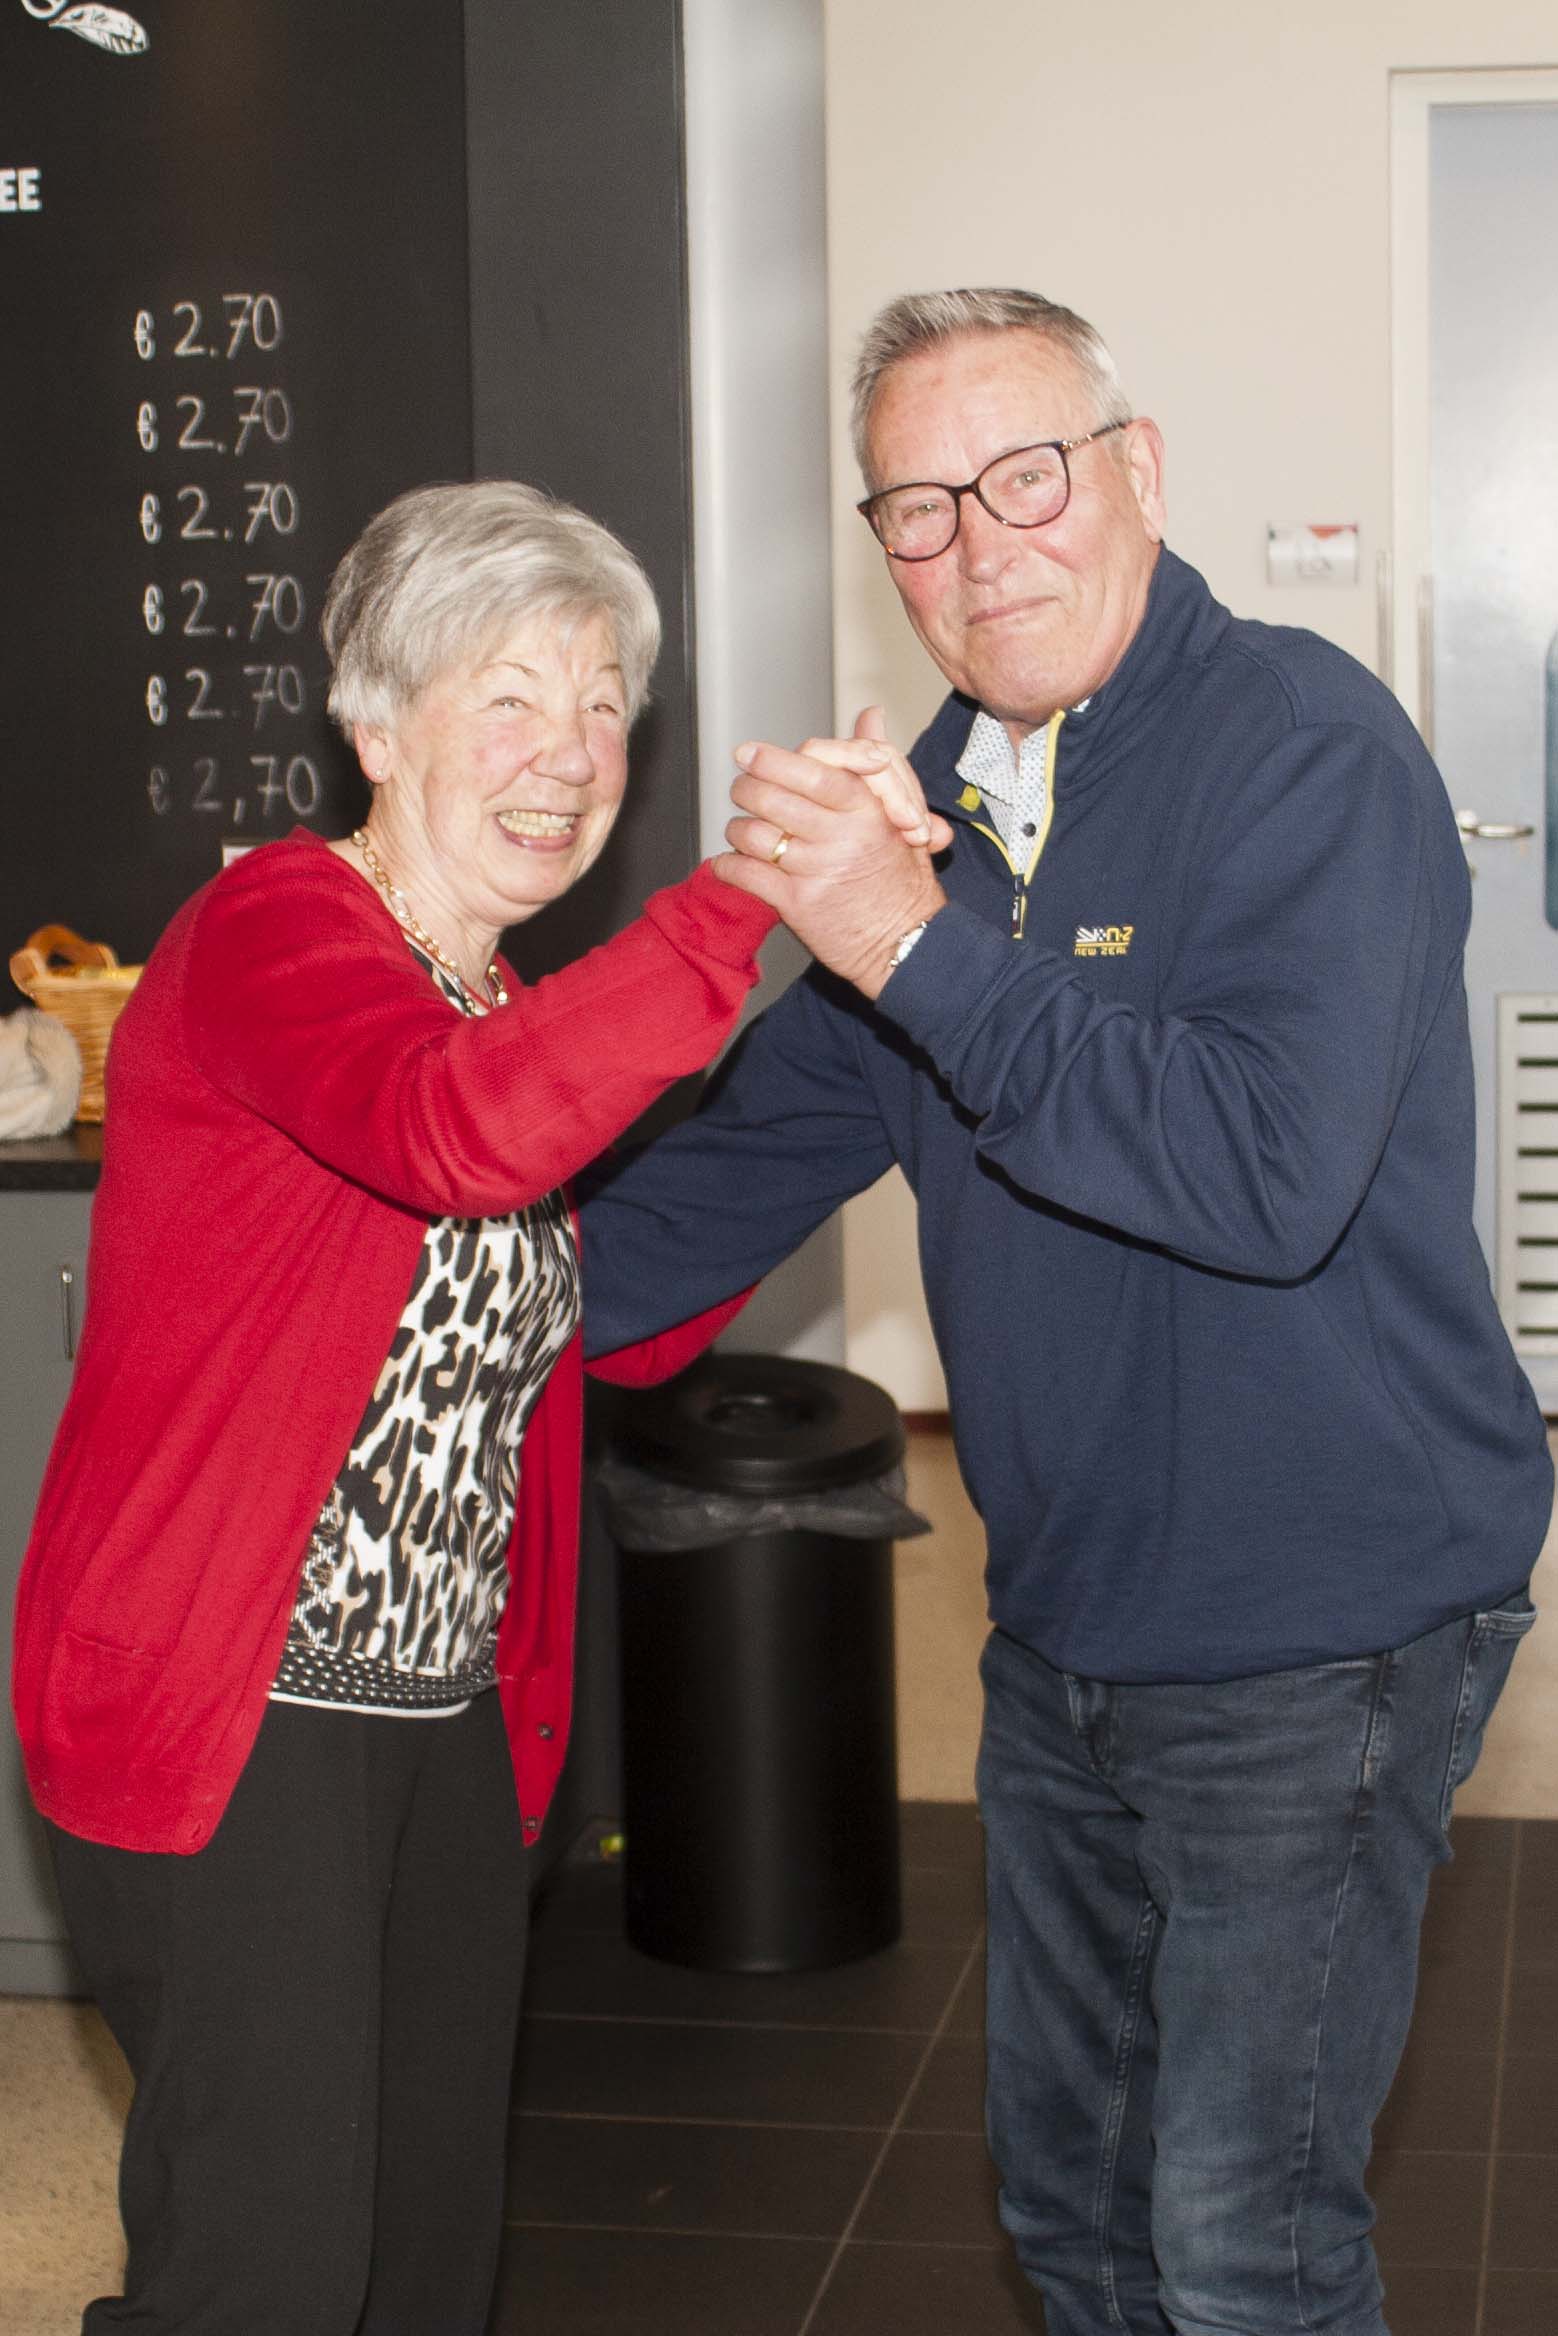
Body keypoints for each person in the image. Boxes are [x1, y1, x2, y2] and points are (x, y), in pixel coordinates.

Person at [578, 290, 1553, 2336]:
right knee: (1070, 2207)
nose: (979, 545)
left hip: (1320, 1619)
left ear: (1138, 474)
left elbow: (1261, 1176)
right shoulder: (941, 801)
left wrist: (908, 942)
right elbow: (753, 1156)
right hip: (1067, 1619)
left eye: (1022, 476)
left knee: (1244, 2245)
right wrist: (432, 1293)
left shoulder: (1305, 748)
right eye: (917, 508)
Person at [10, 478, 934, 2336]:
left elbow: (594, 1325)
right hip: (236, 1715)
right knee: (267, 2278)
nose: (569, 754)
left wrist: (881, 1048)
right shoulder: (276, 931)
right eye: (508, 698)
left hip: (435, 1722)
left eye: (600, 706)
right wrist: (738, 902)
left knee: (426, 2259)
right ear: (376, 724)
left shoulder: (492, 994)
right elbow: (452, 1133)